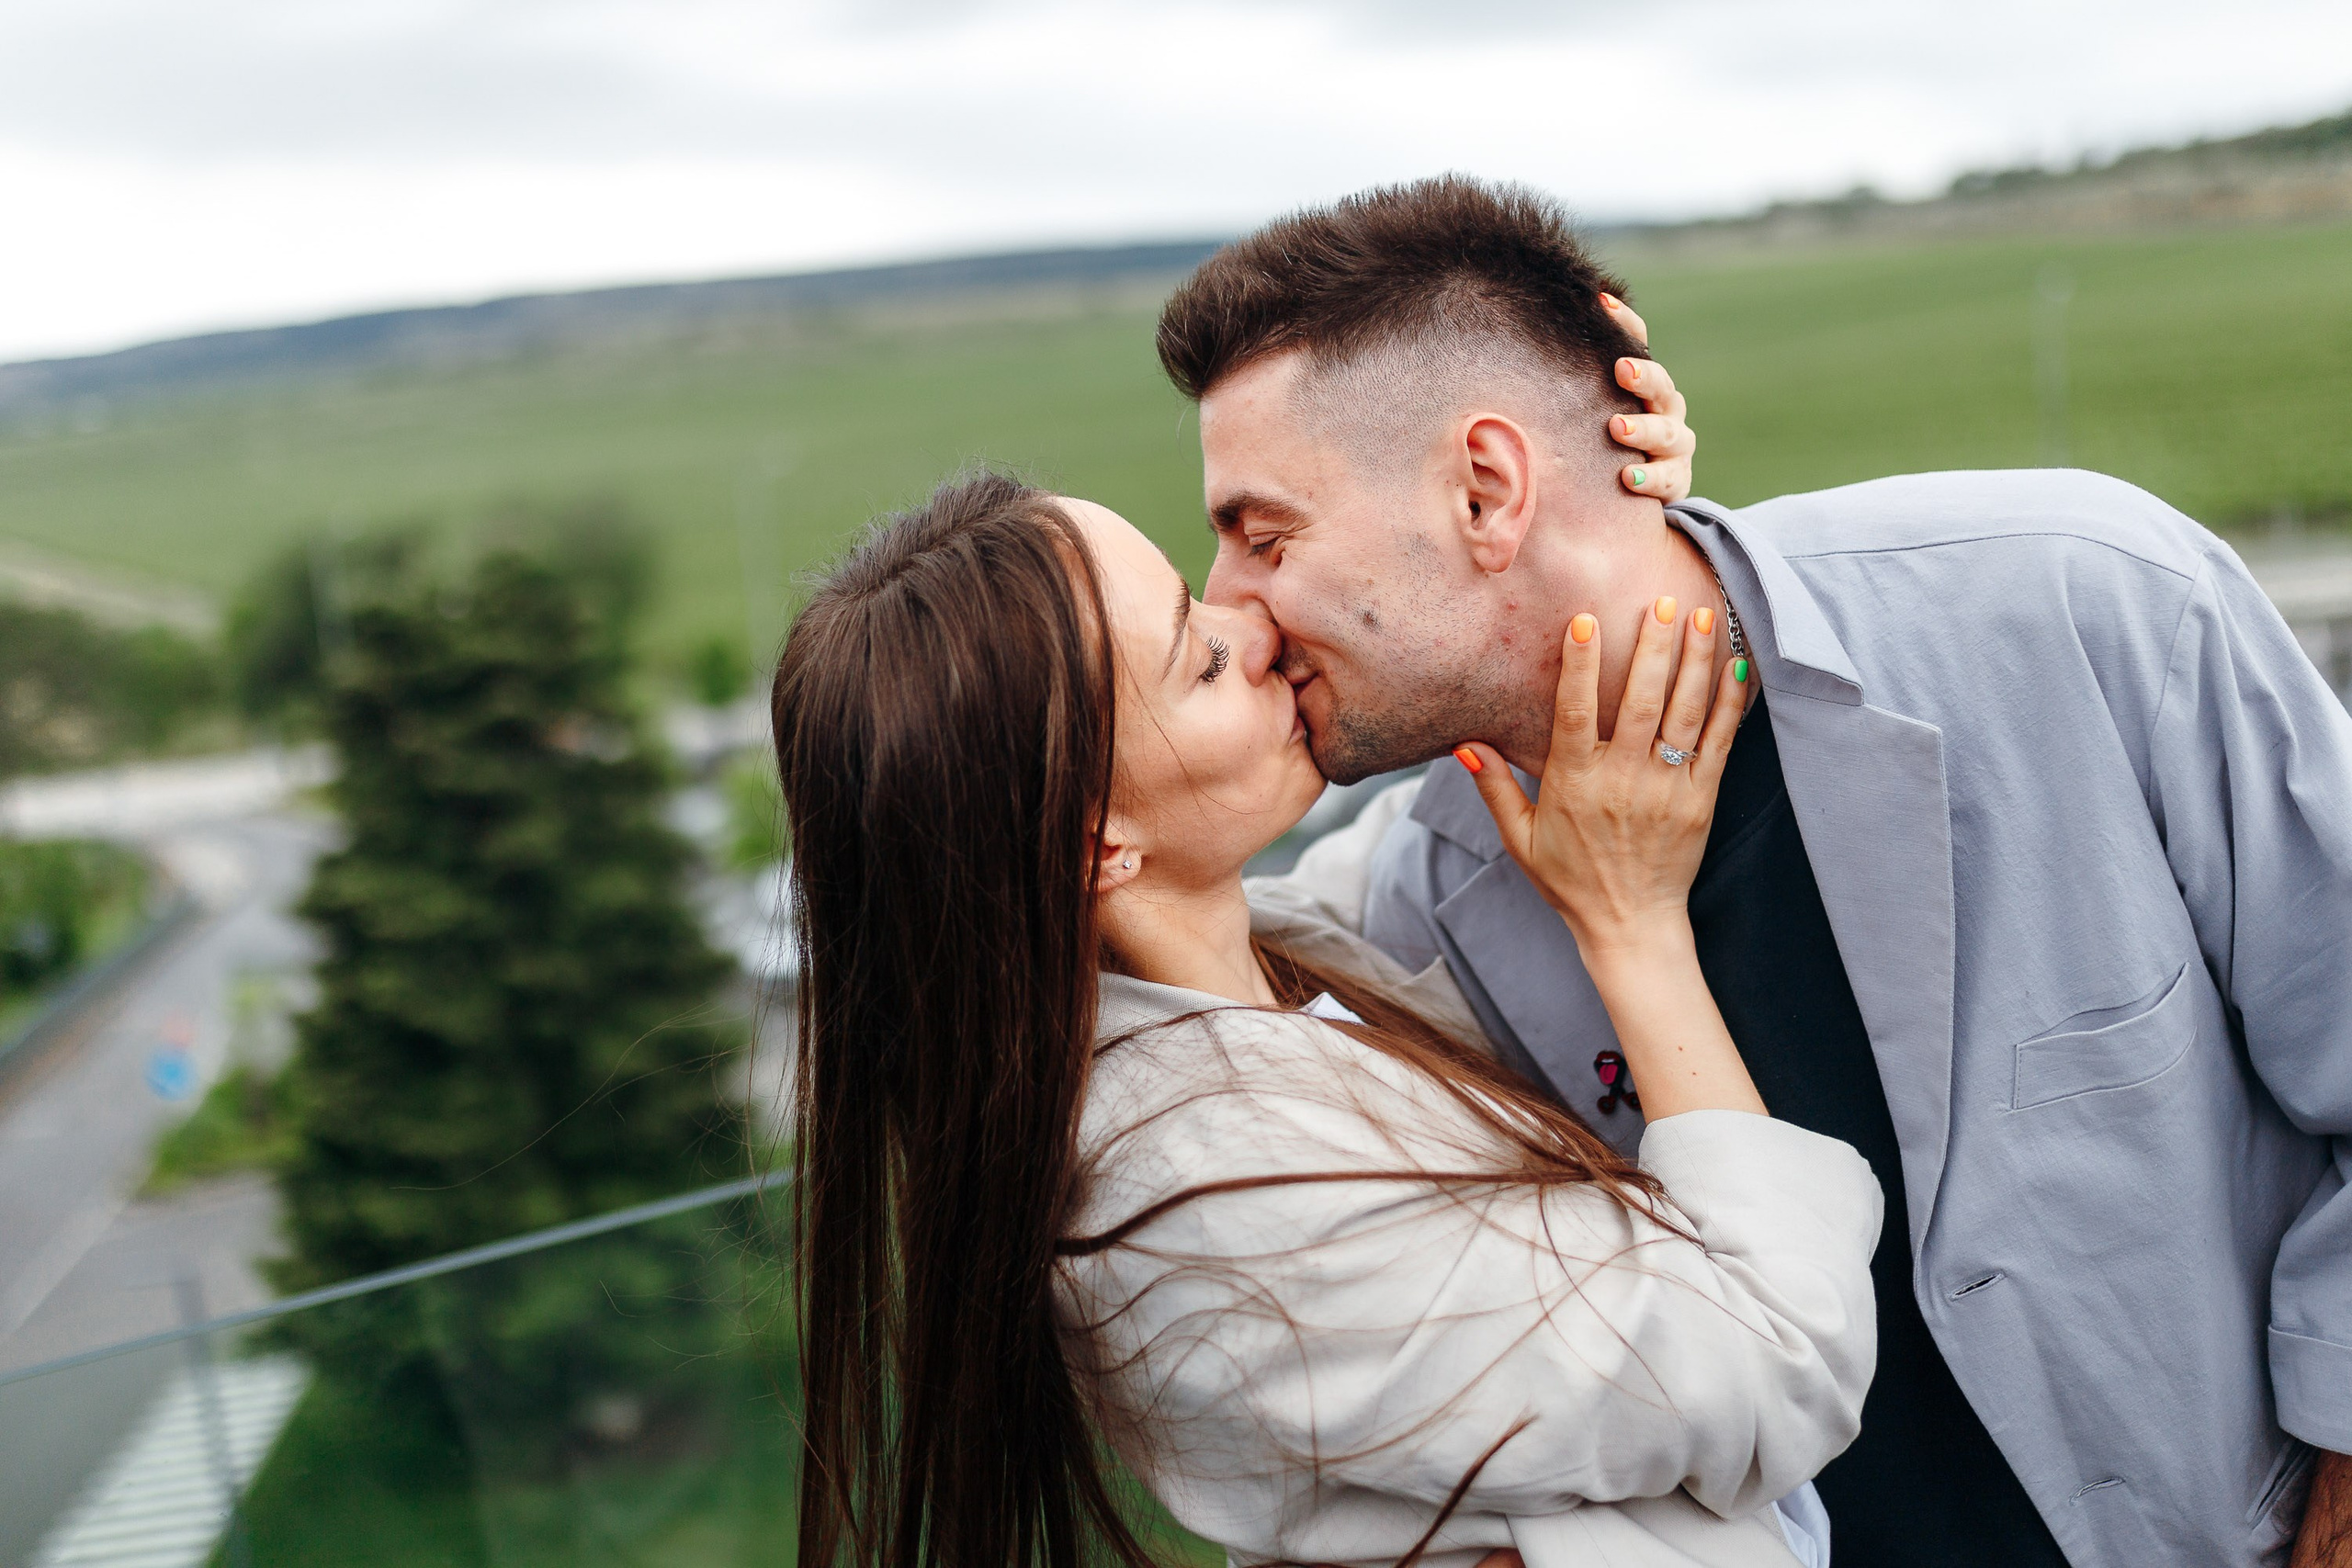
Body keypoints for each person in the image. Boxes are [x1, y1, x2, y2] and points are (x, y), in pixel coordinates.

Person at [1157, 175, 2352, 1568]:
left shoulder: (2093, 609)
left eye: (1263, 533)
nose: (1228, 602)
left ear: (1487, 486)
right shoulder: (1423, 914)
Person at [773, 465, 1884, 1568]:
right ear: (1096, 843)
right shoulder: (1222, 1206)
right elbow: (1775, 1362)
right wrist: (1634, 927)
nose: (1252, 625)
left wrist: (1574, 484)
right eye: (1200, 658)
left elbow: (1433, 802)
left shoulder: (1273, 962)